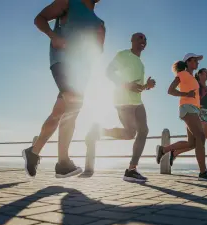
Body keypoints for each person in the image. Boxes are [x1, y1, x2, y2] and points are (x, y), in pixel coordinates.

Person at [22, 0, 105, 178]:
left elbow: (97, 50)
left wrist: (99, 39)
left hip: (82, 69)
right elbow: (40, 19)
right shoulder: (69, 2)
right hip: (63, 61)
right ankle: (63, 163)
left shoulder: (99, 22)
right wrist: (53, 36)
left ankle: (33, 152)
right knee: (74, 105)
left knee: (59, 111)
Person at [98, 33, 155, 182]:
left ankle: (131, 169)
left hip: (137, 101)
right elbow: (108, 72)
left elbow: (137, 87)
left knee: (143, 131)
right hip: (122, 100)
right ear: (131, 41)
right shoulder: (123, 55)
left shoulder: (140, 63)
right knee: (130, 133)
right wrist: (126, 84)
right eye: (139, 38)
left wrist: (146, 86)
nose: (143, 41)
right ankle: (100, 131)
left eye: (145, 39)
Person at [156, 53, 207, 182]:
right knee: (201, 137)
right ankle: (203, 172)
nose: (197, 63)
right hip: (186, 108)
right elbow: (170, 90)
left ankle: (164, 150)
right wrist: (186, 93)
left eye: (197, 61)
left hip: (194, 110)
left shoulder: (193, 79)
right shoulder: (182, 74)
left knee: (192, 143)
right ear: (188, 62)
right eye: (195, 60)